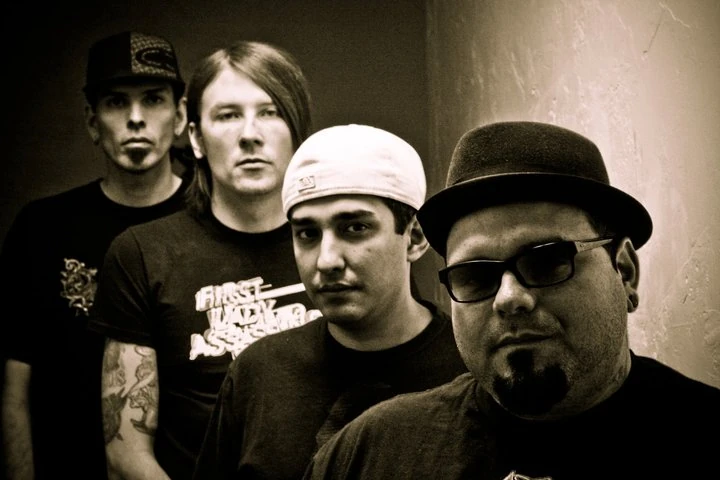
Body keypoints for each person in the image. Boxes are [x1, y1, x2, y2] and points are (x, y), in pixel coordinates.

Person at [303, 121, 720, 479]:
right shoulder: (371, 454)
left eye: (547, 262)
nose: (509, 298)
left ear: (624, 272)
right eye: (475, 276)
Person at [88, 40, 321, 480]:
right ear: (195, 137)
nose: (249, 134)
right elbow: (125, 454)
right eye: (228, 115)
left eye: (270, 112)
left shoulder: (339, 245)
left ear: (298, 131)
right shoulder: (143, 253)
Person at [192, 124, 468, 480]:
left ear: (414, 238)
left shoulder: (470, 366)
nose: (326, 260)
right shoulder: (258, 374)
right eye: (307, 234)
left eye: (354, 228)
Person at [0, 31, 189, 479]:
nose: (136, 119)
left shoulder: (212, 219)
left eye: (153, 100)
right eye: (116, 102)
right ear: (91, 120)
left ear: (180, 115)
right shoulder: (43, 228)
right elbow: (14, 385)